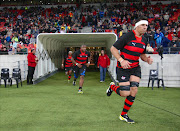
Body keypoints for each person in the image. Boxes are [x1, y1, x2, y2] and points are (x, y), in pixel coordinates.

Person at [106, 17, 153, 124]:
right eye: (143, 25)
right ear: (137, 26)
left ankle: (123, 115)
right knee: (124, 93)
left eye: (146, 26)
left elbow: (142, 55)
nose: (145, 28)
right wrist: (121, 60)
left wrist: (147, 60)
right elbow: (113, 49)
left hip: (135, 68)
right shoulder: (128, 36)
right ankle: (112, 86)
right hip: (123, 68)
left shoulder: (144, 40)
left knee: (134, 91)